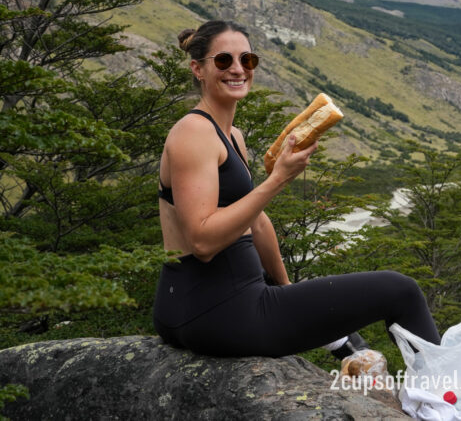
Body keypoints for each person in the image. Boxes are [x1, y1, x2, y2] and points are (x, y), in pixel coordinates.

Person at [152, 20, 441, 358]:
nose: (237, 69)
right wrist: (278, 180)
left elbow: (256, 221)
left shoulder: (232, 135)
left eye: (246, 60)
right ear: (197, 69)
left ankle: (351, 355)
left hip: (206, 304)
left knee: (346, 335)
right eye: (223, 60)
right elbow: (202, 241)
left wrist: (289, 292)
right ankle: (447, 398)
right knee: (401, 291)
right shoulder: (194, 132)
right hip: (220, 309)